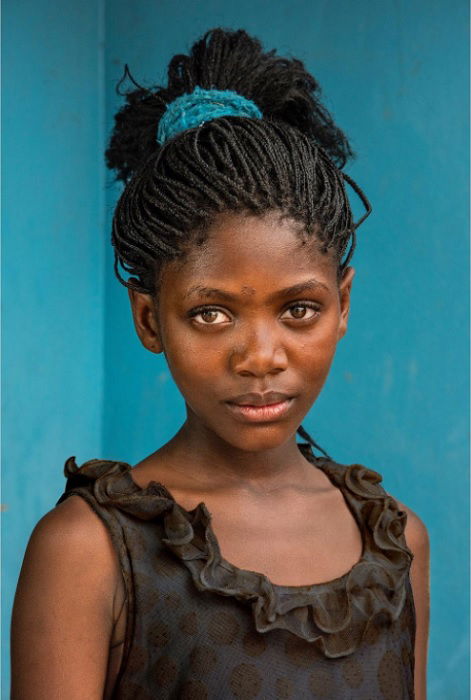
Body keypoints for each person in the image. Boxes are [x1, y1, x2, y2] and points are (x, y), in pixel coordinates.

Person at [11, 27, 430, 700]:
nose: (260, 356)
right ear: (149, 318)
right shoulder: (90, 552)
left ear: (342, 304)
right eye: (210, 313)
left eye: (298, 309)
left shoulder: (397, 543)